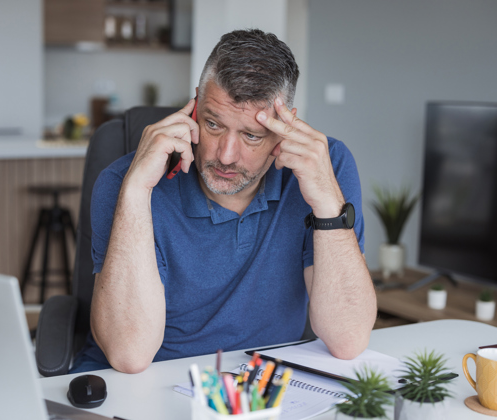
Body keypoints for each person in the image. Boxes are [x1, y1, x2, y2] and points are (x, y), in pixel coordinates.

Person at [71, 29, 377, 374]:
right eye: (213, 124)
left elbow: (348, 339)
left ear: (284, 125)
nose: (226, 156)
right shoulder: (124, 180)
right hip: (144, 382)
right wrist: (137, 190)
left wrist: (326, 203)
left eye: (251, 135)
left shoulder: (326, 166)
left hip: (256, 387)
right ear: (196, 105)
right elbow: (129, 355)